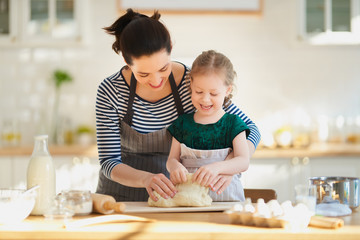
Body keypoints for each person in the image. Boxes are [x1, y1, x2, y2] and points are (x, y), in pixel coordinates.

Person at [95, 9, 261, 202]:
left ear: (171, 48)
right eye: (143, 74)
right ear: (126, 61)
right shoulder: (110, 91)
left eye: (163, 68)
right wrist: (145, 178)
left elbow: (252, 131)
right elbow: (108, 162)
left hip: (175, 196)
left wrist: (228, 169)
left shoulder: (192, 83)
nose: (156, 81)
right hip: (119, 197)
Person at [166, 50, 250, 201]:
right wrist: (174, 167)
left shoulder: (234, 123)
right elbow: (172, 159)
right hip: (187, 202)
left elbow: (243, 160)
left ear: (227, 90)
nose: (205, 99)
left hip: (227, 202)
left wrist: (217, 168)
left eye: (213, 94)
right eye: (199, 91)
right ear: (191, 85)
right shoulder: (182, 123)